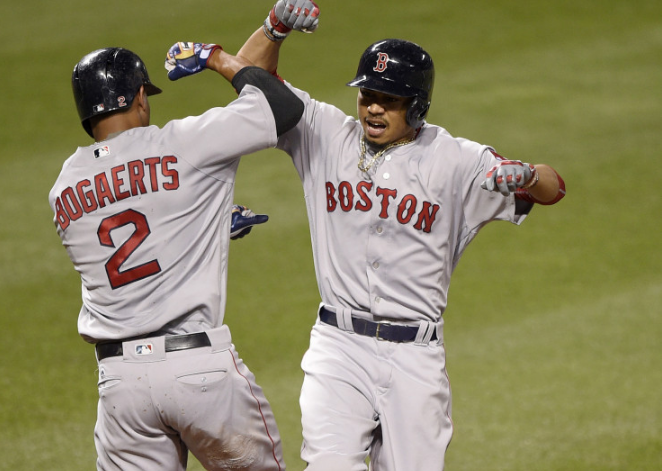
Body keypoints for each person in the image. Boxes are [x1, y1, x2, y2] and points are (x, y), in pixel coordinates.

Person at [199, 2, 562, 470]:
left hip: (415, 357)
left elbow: (555, 188)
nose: (372, 106)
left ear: (419, 105)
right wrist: (275, 26)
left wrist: (528, 174)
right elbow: (254, 84)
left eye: (388, 99)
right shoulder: (324, 133)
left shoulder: (456, 160)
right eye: (367, 94)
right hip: (339, 345)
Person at [49, 43, 304, 470]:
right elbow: (282, 107)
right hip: (198, 371)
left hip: (122, 387)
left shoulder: (63, 190)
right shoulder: (183, 142)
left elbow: (130, 236)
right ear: (139, 98)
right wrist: (218, 57)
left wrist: (204, 223)